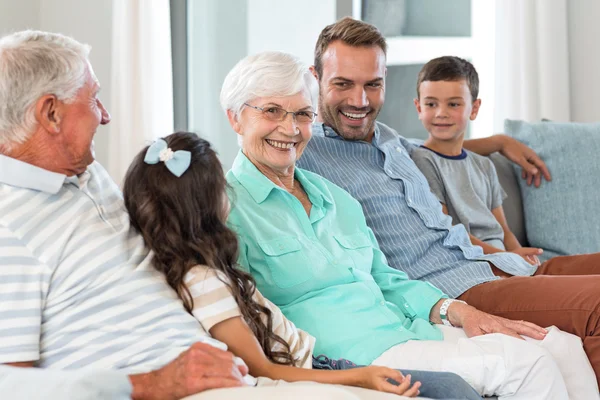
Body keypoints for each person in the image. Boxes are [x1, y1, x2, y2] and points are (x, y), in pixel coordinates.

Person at [0, 30, 428, 400]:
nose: (106, 115)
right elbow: (8, 384)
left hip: (226, 368)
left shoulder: (88, 175)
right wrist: (149, 384)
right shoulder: (10, 226)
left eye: (301, 114)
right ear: (51, 114)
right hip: (171, 385)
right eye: (93, 100)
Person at [219, 49, 598, 399]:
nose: (290, 129)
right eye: (271, 111)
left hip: (408, 329)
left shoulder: (336, 198)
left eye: (302, 114)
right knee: (525, 365)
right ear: (235, 117)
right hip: (353, 351)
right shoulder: (225, 211)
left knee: (560, 345)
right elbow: (239, 314)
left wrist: (457, 310)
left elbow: (387, 280)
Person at [121, 131, 482, 399]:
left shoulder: (209, 267)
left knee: (454, 386)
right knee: (452, 389)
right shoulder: (203, 282)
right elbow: (264, 369)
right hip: (314, 368)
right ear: (204, 205)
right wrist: (362, 376)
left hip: (320, 361)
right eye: (220, 185)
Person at [411, 56, 543, 267]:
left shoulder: (484, 165)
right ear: (419, 108)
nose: (441, 113)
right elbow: (448, 230)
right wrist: (503, 257)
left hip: (504, 261)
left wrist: (518, 254)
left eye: (453, 104)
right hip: (474, 262)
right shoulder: (422, 161)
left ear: (474, 109)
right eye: (431, 104)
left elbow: (503, 230)